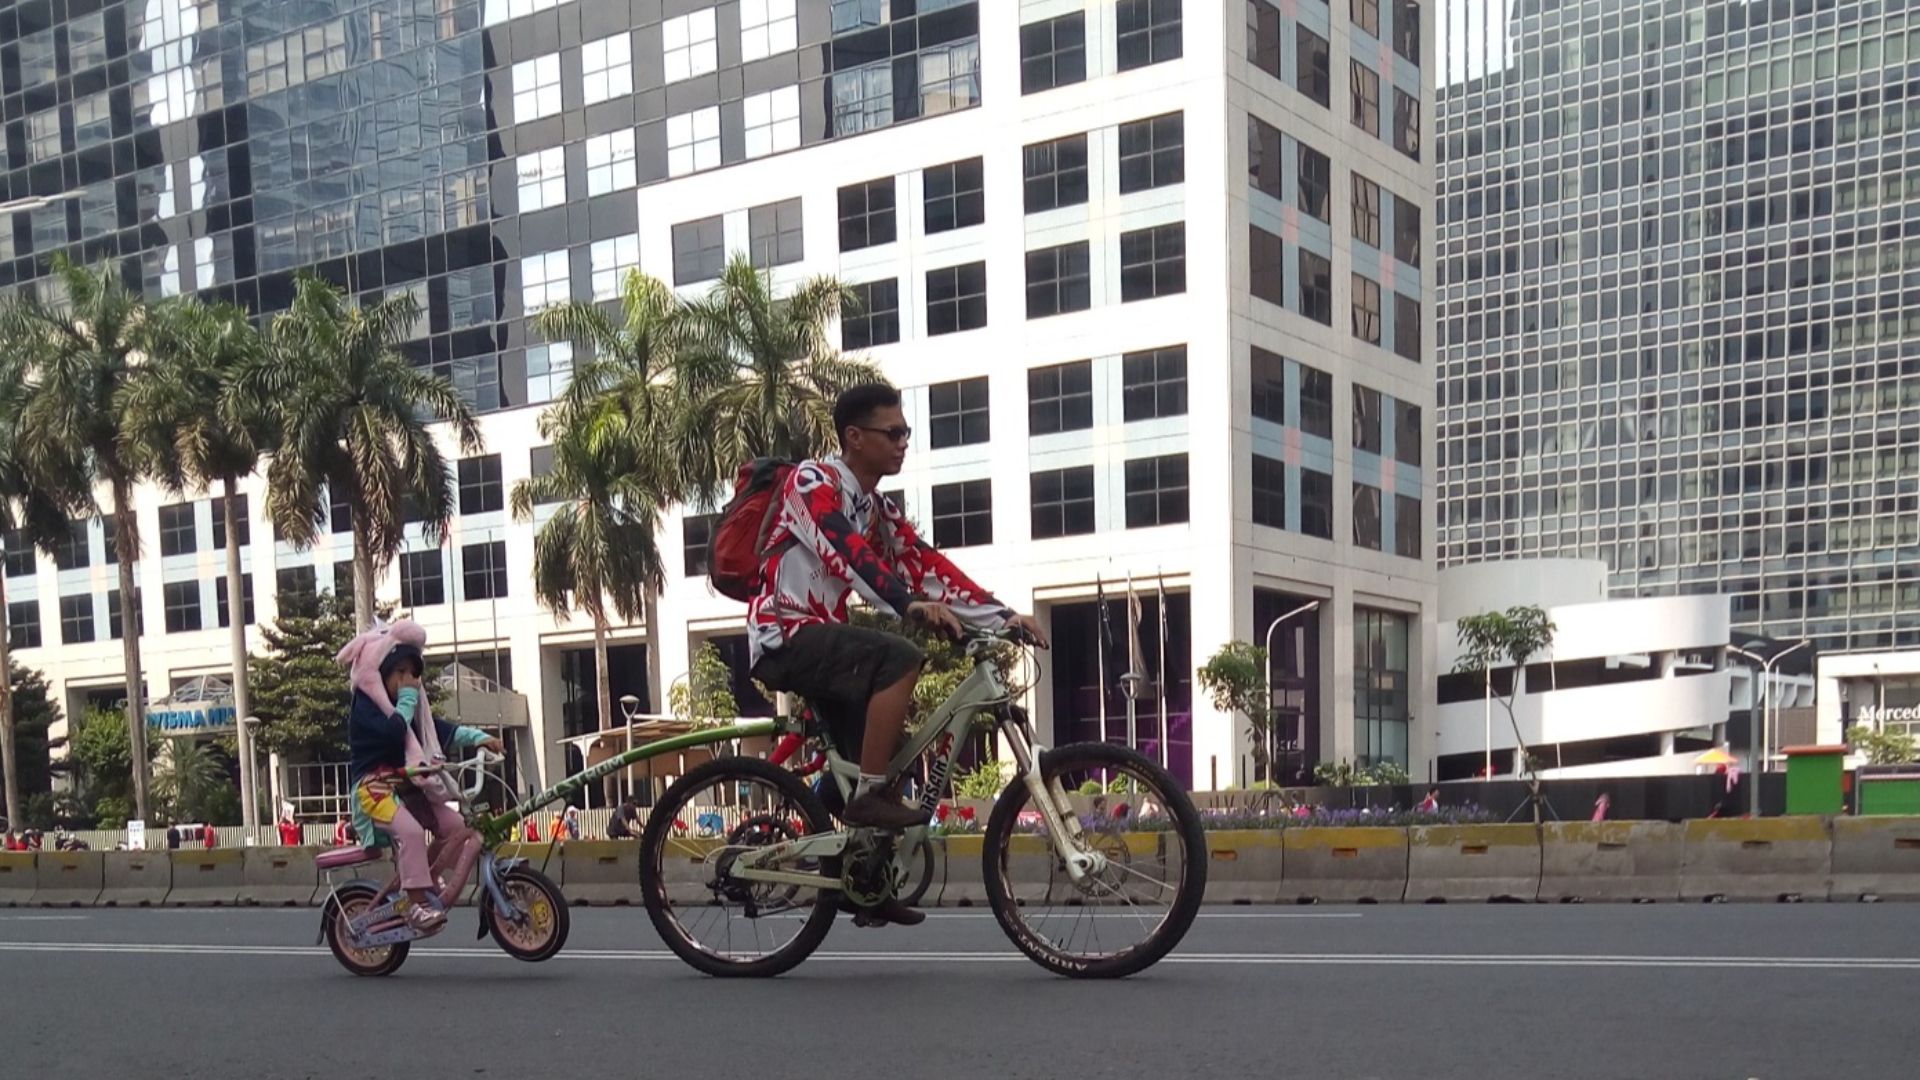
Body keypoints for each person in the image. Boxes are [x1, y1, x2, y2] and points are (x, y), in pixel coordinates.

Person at [748, 384, 1047, 927]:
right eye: (893, 432)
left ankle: (859, 876)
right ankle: (863, 798)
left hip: (825, 636)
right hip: (785, 633)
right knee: (899, 659)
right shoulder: (812, 482)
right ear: (854, 438)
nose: (904, 442)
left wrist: (1001, 616)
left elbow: (926, 566)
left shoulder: (875, 508)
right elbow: (843, 548)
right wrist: (908, 605)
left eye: (906, 432)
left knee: (895, 755)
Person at [350, 641, 504, 932]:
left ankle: (426, 878)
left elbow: (439, 730)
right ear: (383, 675)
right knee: (411, 832)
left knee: (458, 826)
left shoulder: (412, 712)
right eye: (401, 671)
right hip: (374, 788)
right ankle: (415, 902)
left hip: (409, 787)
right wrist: (408, 699)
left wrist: (478, 737)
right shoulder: (366, 705)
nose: (409, 680)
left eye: (413, 673)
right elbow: (393, 733)